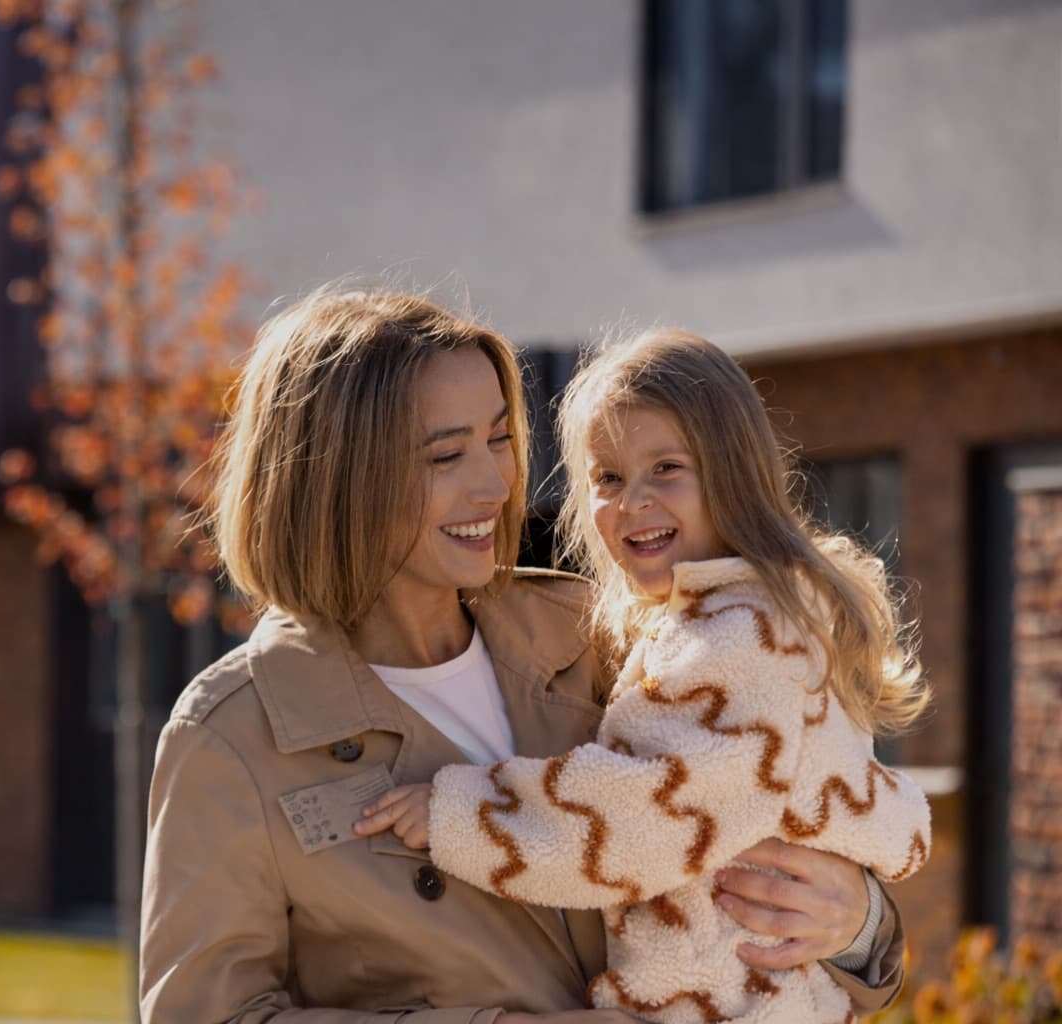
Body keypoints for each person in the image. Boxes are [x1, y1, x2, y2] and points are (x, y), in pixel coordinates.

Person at [140, 290, 909, 1024]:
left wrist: (859, 923)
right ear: (340, 480)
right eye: (446, 456)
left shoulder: (609, 635)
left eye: (501, 439)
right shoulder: (234, 736)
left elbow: (795, 861)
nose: (495, 485)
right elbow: (206, 1014)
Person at [357, 327, 930, 1023]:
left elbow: (645, 817)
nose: (633, 503)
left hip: (729, 996)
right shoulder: (721, 617)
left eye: (666, 469)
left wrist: (463, 813)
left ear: (734, 473)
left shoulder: (743, 638)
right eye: (607, 478)